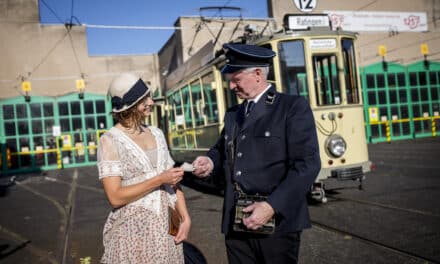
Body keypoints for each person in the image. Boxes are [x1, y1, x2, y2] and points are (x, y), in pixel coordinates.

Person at [192, 43, 321, 264]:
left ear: (258, 74)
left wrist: (271, 206)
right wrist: (210, 161)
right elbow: (221, 149)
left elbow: (307, 164)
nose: (231, 86)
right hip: (237, 220)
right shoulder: (234, 114)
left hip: (276, 223)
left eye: (236, 79)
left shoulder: (291, 107)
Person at [97, 72, 190, 263]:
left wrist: (185, 218)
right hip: (134, 232)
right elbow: (114, 197)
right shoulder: (110, 141)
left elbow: (173, 181)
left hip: (168, 227)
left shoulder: (157, 133)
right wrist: (159, 179)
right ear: (130, 106)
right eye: (144, 99)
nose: (151, 101)